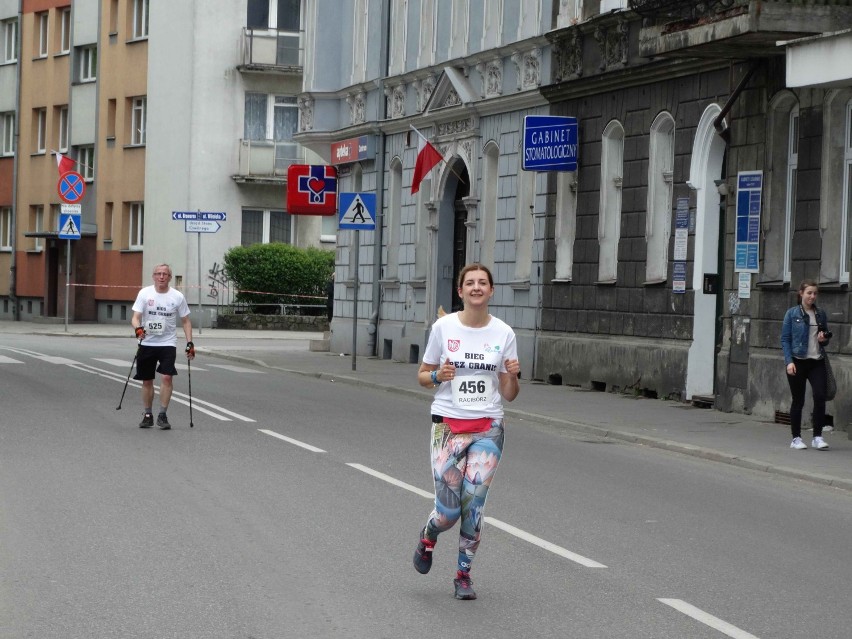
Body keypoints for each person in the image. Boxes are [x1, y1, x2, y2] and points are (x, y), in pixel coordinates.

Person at [413, 263, 521, 600]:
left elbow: (509, 394)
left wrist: (513, 375)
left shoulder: (504, 333)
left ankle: (463, 575)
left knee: (473, 507)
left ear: (491, 291)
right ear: (460, 291)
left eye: (483, 283)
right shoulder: (443, 328)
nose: (476, 288)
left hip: (488, 428)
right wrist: (438, 377)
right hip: (447, 426)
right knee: (448, 513)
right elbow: (422, 375)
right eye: (470, 283)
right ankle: (429, 536)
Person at [131, 264, 195, 430]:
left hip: (168, 342)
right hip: (147, 342)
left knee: (167, 377)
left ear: (169, 277)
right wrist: (138, 329)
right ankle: (147, 414)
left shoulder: (177, 296)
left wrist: (190, 343)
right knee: (147, 380)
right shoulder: (144, 293)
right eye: (158, 274)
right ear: (153, 276)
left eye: (165, 274)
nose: (161, 277)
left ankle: (162, 415)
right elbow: (135, 317)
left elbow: (186, 321)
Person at [781, 278, 832, 450]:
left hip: (816, 360)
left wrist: (823, 339)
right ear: (801, 293)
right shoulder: (792, 314)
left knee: (820, 396)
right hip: (797, 361)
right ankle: (796, 438)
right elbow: (785, 339)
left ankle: (817, 436)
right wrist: (789, 362)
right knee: (798, 400)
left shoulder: (820, 314)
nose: (812, 296)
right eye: (809, 293)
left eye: (815, 293)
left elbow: (824, 339)